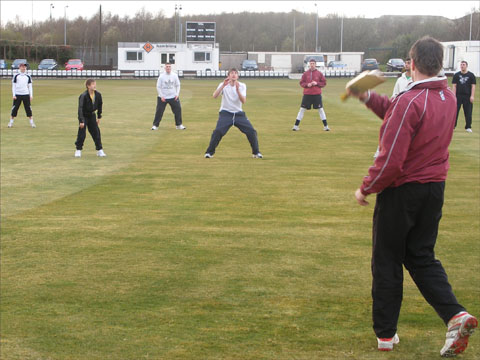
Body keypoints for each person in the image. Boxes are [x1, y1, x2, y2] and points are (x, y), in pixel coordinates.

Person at [348, 36, 477, 357]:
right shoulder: (445, 96)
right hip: (434, 189)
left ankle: (386, 335)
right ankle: (455, 315)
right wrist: (366, 96)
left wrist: (366, 187)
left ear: (412, 62)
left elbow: (391, 158)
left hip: (403, 191)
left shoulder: (411, 101)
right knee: (420, 255)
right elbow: (396, 113)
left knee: (387, 260)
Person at [204, 68, 262, 159]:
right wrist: (223, 85)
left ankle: (256, 153)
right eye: (232, 73)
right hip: (225, 113)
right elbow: (214, 96)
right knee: (218, 132)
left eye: (235, 73)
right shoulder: (223, 85)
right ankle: (209, 153)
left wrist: (238, 90)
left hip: (239, 114)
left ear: (238, 76)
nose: (234, 75)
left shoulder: (242, 85)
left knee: (251, 131)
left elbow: (243, 101)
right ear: (228, 76)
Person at [292, 58, 330, 131]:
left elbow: (324, 83)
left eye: (313, 63)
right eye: (311, 63)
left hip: (317, 95)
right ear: (309, 64)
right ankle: (295, 126)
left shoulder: (319, 73)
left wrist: (317, 83)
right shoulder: (305, 73)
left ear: (315, 64)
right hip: (307, 94)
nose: (312, 65)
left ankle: (326, 126)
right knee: (302, 109)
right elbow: (301, 83)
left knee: (321, 110)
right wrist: (307, 85)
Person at [75, 79, 106, 157]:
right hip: (84, 116)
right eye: (92, 84)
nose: (94, 85)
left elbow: (100, 105)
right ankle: (78, 150)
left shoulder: (98, 95)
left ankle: (100, 150)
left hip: (92, 115)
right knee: (82, 134)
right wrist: (81, 120)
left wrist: (99, 116)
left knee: (96, 133)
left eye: (95, 84)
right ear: (88, 86)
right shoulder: (83, 96)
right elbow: (80, 108)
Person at [151, 63, 185, 130]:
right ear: (165, 68)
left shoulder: (174, 75)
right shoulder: (161, 76)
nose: (168, 68)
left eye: (169, 67)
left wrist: (177, 94)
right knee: (159, 111)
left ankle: (179, 125)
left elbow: (178, 85)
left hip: (173, 96)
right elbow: (158, 86)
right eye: (167, 67)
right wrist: (161, 96)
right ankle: (155, 125)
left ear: (171, 68)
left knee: (178, 110)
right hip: (163, 97)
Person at [8, 63, 35, 128]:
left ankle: (32, 123)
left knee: (28, 109)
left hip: (26, 94)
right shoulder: (16, 76)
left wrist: (31, 95)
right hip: (18, 94)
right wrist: (14, 94)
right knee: (15, 108)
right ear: (19, 67)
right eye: (22, 67)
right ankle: (11, 122)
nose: (23, 68)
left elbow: (30, 86)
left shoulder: (28, 76)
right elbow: (13, 86)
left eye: (24, 67)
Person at [452, 60, 476, 132]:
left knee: (468, 112)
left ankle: (468, 127)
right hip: (458, 95)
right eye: (461, 65)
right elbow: (454, 86)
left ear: (466, 66)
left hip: (467, 96)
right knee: (455, 111)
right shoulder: (456, 75)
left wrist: (472, 96)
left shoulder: (471, 75)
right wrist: (453, 96)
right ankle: (453, 126)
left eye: (463, 65)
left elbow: (473, 86)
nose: (462, 66)